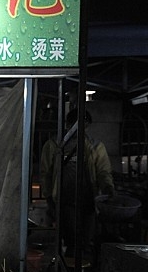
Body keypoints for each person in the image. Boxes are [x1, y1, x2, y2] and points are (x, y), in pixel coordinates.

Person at [40, 108, 115, 257]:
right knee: (71, 240)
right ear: (68, 124)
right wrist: (49, 198)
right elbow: (45, 174)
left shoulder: (94, 146)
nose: (81, 130)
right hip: (64, 201)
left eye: (84, 126)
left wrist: (108, 187)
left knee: (86, 240)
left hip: (88, 200)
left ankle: (81, 267)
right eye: (77, 125)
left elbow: (103, 171)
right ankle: (71, 267)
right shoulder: (54, 146)